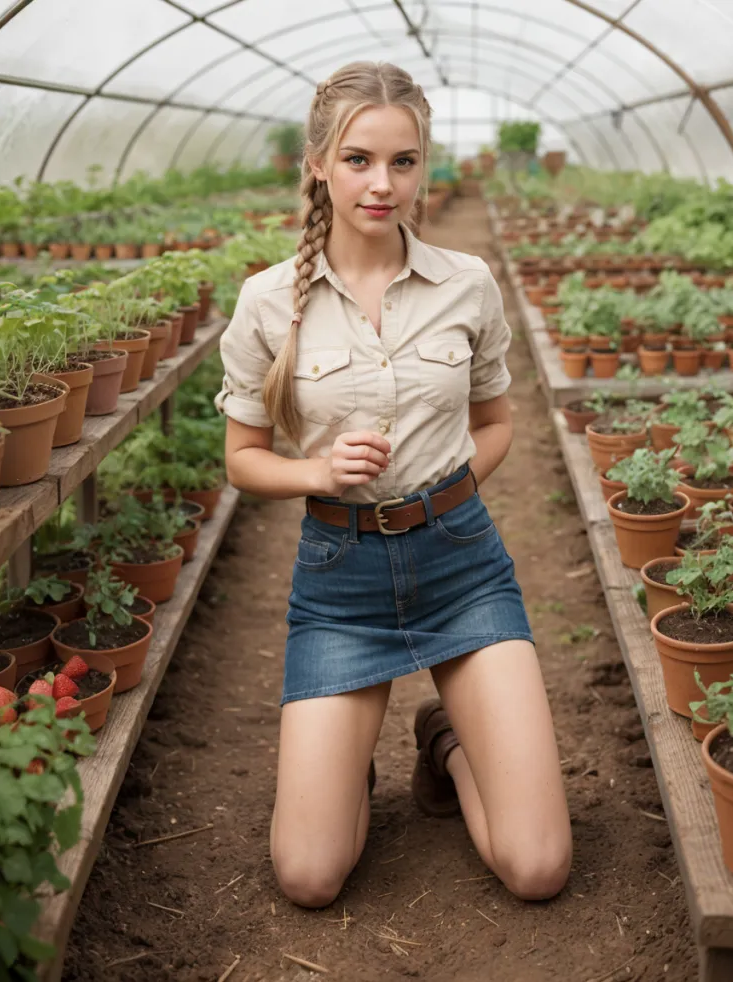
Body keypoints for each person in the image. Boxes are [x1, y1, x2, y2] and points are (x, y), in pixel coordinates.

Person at [215, 61, 572, 910]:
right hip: (341, 581)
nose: (382, 184)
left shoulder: (467, 284)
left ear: (425, 166)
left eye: (403, 162)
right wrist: (317, 472)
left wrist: (438, 496)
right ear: (318, 165)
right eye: (358, 159)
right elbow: (241, 457)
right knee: (308, 876)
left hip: (462, 567)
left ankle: (446, 741)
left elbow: (496, 426)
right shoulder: (268, 303)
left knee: (538, 868)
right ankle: (343, 770)